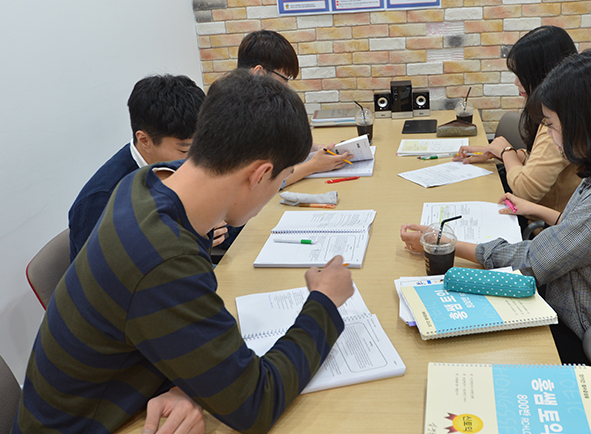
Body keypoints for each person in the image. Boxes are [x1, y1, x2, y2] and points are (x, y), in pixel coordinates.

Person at [14, 70, 354, 433]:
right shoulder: (163, 256)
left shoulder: (143, 183)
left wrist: (190, 384)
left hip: (119, 395)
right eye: (279, 180)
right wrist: (324, 302)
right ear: (259, 175)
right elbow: (256, 401)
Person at [402, 50, 591, 380]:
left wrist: (446, 244)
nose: (552, 137)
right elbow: (584, 234)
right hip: (582, 309)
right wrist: (539, 210)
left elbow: (533, 261)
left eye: (553, 125)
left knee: (470, 352)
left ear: (587, 123)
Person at [66, 74, 234, 262]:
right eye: (185, 149)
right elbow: (113, 273)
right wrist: (193, 238)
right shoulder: (101, 200)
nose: (197, 158)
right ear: (145, 140)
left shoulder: (178, 167)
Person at [454, 26, 581, 217]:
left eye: (521, 75)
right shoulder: (561, 111)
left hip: (543, 226)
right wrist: (497, 152)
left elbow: (525, 191)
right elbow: (538, 159)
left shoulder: (559, 124)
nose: (516, 82)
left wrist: (506, 152)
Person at [236, 30, 351, 186]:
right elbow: (262, 184)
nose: (286, 86)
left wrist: (315, 148)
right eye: (284, 78)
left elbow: (277, 147)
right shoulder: (236, 116)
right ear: (260, 73)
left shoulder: (260, 105)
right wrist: (312, 166)